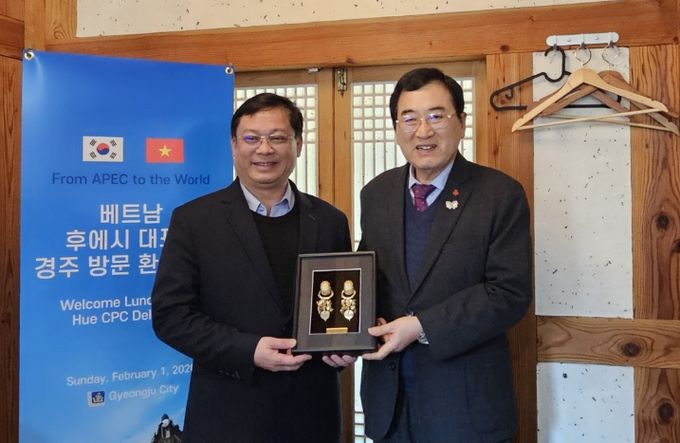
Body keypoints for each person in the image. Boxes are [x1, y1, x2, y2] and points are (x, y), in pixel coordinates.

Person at [152, 93, 354, 443]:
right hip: (229, 413)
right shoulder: (194, 221)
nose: (264, 149)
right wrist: (248, 350)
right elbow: (171, 316)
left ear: (297, 144)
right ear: (234, 146)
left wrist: (346, 344)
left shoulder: (329, 220)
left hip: (312, 413)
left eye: (277, 137)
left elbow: (340, 306)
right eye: (251, 138)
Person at [358, 68, 532, 443]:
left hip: (465, 410)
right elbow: (367, 277)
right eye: (409, 118)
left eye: (436, 116)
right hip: (389, 406)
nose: (423, 131)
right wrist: (352, 328)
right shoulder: (376, 194)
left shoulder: (499, 195)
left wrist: (420, 326)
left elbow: (509, 293)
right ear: (396, 127)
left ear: (461, 122)